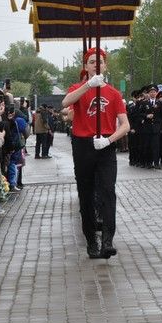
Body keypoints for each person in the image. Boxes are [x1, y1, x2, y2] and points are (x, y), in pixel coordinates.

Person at [61, 48, 130, 259]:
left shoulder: (114, 93)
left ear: (105, 65)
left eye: (99, 62)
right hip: (83, 145)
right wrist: (88, 85)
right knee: (86, 193)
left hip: (105, 146)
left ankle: (108, 239)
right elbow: (65, 103)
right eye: (92, 62)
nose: (96, 65)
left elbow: (125, 125)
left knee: (108, 191)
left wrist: (109, 140)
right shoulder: (79, 88)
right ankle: (91, 239)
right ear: (86, 66)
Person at [138, 85, 162, 169]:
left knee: (156, 146)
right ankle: (148, 162)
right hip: (147, 127)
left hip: (156, 127)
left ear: (157, 93)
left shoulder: (160, 103)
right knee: (148, 146)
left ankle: (156, 162)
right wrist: (146, 116)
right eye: (151, 92)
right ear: (148, 93)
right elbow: (139, 113)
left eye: (154, 92)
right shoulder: (144, 103)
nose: (153, 93)